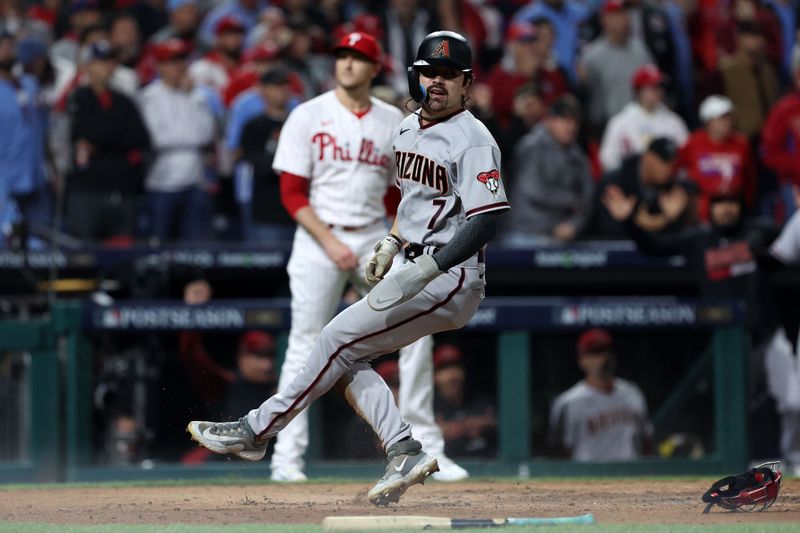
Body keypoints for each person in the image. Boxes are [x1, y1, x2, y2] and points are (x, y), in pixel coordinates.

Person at [188, 30, 509, 505]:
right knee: (342, 354)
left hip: (451, 277)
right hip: (415, 262)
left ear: (466, 84)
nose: (436, 82)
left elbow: (487, 221)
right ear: (414, 77)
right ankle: (403, 449)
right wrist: (392, 239)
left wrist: (430, 267)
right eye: (428, 73)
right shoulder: (405, 127)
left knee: (335, 339)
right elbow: (412, 201)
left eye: (448, 75)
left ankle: (256, 431)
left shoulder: (473, 139)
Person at [243, 31, 466, 484]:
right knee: (306, 342)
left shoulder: (393, 121)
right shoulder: (307, 115)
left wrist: (394, 241)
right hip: (318, 238)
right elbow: (290, 193)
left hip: (375, 237)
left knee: (416, 333)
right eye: (342, 55)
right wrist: (328, 242)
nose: (347, 63)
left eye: (358, 57)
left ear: (374, 67)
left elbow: (399, 193)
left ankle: (426, 447)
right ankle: (287, 457)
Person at [65, 40, 150, 242]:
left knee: (122, 260)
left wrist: (101, 142)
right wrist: (116, 138)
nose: (108, 67)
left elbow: (140, 138)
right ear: (88, 66)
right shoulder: (77, 98)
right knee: (83, 259)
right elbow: (81, 133)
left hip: (121, 188)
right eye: (102, 61)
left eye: (111, 61)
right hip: (86, 190)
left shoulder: (124, 101)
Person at [138, 38, 216, 243]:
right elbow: (158, 139)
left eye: (182, 60)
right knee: (157, 250)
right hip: (161, 184)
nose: (180, 66)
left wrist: (189, 97)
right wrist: (190, 136)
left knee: (195, 252)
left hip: (195, 183)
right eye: (172, 61)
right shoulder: (150, 96)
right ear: (160, 66)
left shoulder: (198, 95)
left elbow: (206, 134)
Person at [547, 328, 653, 461]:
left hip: (631, 475)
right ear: (582, 359)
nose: (604, 357)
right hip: (587, 477)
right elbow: (557, 453)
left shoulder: (633, 393)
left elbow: (647, 442)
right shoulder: (569, 402)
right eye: (596, 352)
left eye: (607, 350)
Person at [505, 95, 593, 246]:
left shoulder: (577, 155)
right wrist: (572, 200)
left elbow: (588, 197)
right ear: (549, 120)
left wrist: (574, 224)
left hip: (560, 234)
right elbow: (533, 190)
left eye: (574, 121)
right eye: (564, 120)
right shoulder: (531, 146)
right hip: (527, 232)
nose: (570, 126)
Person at [588, 137, 693, 238]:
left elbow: (675, 240)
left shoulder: (671, 188)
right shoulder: (615, 182)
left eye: (672, 163)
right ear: (648, 158)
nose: (668, 169)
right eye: (664, 162)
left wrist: (669, 219)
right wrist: (625, 221)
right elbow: (604, 231)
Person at [578, 0, 653, 138]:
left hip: (640, 126)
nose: (623, 19)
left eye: (625, 13)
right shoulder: (592, 57)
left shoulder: (641, 51)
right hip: (605, 127)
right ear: (604, 19)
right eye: (617, 14)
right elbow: (586, 99)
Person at [237, 68, 295, 243]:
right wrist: (287, 160)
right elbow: (258, 164)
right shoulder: (254, 126)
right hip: (265, 208)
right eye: (277, 86)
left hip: (296, 209)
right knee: (264, 265)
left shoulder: (298, 122)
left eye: (286, 85)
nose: (283, 90)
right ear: (264, 90)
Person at [599, 64, 688, 173]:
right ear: (639, 90)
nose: (658, 91)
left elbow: (686, 157)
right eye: (652, 87)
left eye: (660, 87)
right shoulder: (620, 122)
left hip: (667, 183)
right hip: (630, 184)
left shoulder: (674, 122)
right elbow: (607, 160)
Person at [679, 95, 755, 222]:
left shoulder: (742, 144)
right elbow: (678, 170)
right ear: (708, 121)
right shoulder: (693, 143)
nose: (727, 122)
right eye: (721, 118)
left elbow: (750, 179)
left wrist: (745, 203)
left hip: (735, 214)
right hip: (702, 216)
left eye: (729, 117)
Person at [433, 344, 497, 458]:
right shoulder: (428, 407)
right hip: (443, 467)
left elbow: (505, 426)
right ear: (434, 376)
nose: (452, 375)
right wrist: (439, 432)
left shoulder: (480, 401)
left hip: (485, 465)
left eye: (456, 367)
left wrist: (485, 425)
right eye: (444, 369)